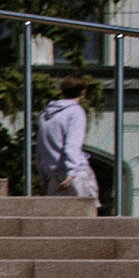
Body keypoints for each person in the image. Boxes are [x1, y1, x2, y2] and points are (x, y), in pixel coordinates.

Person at [38, 74, 99, 204]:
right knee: (87, 211)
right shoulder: (75, 112)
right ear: (83, 91)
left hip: (53, 176)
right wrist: (72, 171)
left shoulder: (45, 115)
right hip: (75, 173)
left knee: (58, 214)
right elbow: (72, 145)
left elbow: (41, 149)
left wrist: (43, 180)